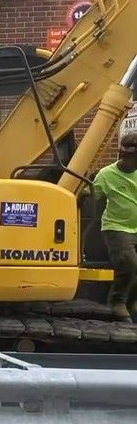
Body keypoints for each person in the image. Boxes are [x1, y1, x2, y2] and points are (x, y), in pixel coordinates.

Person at [93, 132, 137, 321]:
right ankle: (117, 301)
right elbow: (91, 196)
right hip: (117, 227)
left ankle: (131, 301)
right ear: (126, 155)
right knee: (129, 263)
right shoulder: (106, 175)